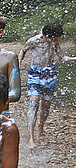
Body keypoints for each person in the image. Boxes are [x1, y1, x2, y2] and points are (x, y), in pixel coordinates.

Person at [18, 22, 76, 150]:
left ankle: (41, 127)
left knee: (46, 105)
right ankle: (30, 137)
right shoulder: (33, 41)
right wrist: (18, 65)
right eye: (55, 37)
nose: (57, 40)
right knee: (34, 102)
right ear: (48, 35)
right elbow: (22, 51)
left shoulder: (53, 42)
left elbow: (62, 58)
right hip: (35, 74)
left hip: (50, 74)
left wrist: (74, 59)